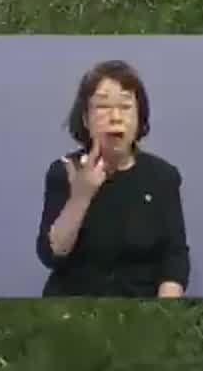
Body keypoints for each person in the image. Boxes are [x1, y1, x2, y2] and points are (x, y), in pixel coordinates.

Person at [35, 59, 189, 297]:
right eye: (103, 106)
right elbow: (51, 255)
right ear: (86, 119)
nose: (115, 116)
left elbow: (175, 258)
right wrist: (81, 196)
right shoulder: (64, 171)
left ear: (139, 118)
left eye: (125, 106)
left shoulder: (163, 176)